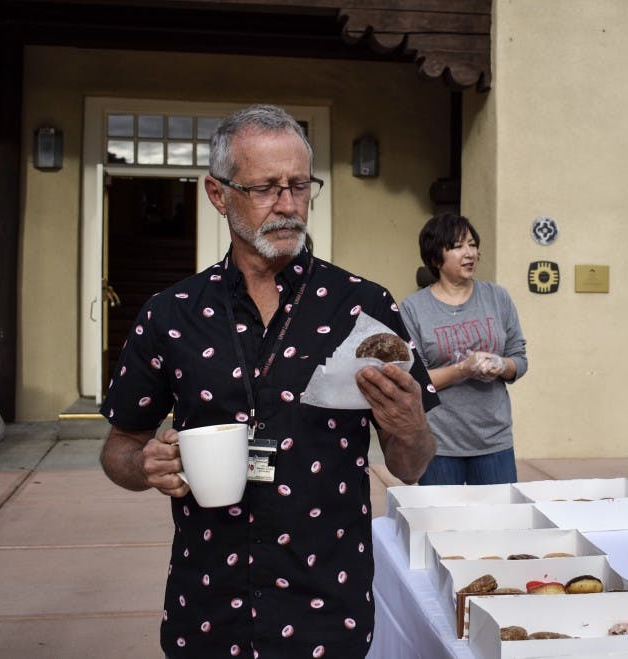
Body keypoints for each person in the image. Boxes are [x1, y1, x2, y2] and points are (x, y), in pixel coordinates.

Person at [98, 104, 439, 658]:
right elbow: (120, 448)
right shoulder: (171, 313)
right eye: (264, 188)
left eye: (299, 186)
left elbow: (411, 463)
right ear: (217, 194)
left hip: (327, 605)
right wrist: (143, 467)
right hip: (206, 605)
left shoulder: (364, 309)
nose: (286, 205)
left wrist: (411, 426)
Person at [399, 213, 528, 484]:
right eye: (457, 247)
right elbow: (415, 380)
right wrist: (462, 370)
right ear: (436, 258)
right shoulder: (413, 308)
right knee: (441, 524)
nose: (469, 253)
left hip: (494, 439)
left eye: (472, 244)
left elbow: (519, 357)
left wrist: (502, 365)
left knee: (499, 524)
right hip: (439, 442)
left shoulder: (497, 297)